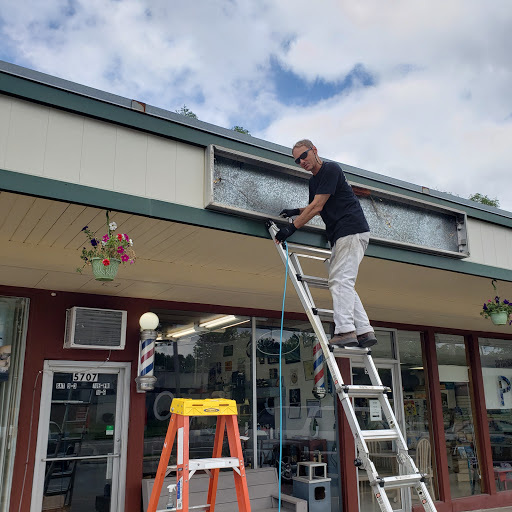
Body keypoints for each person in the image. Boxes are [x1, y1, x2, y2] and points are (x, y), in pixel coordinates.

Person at [275, 139, 377, 348]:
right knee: (343, 281)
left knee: (340, 282)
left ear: (314, 150)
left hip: (350, 229)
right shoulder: (314, 182)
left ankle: (345, 330)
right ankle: (364, 331)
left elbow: (317, 205)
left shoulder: (331, 169)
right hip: (341, 234)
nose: (302, 161)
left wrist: (290, 229)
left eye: (304, 155)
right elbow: (315, 206)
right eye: (297, 161)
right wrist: (296, 211)